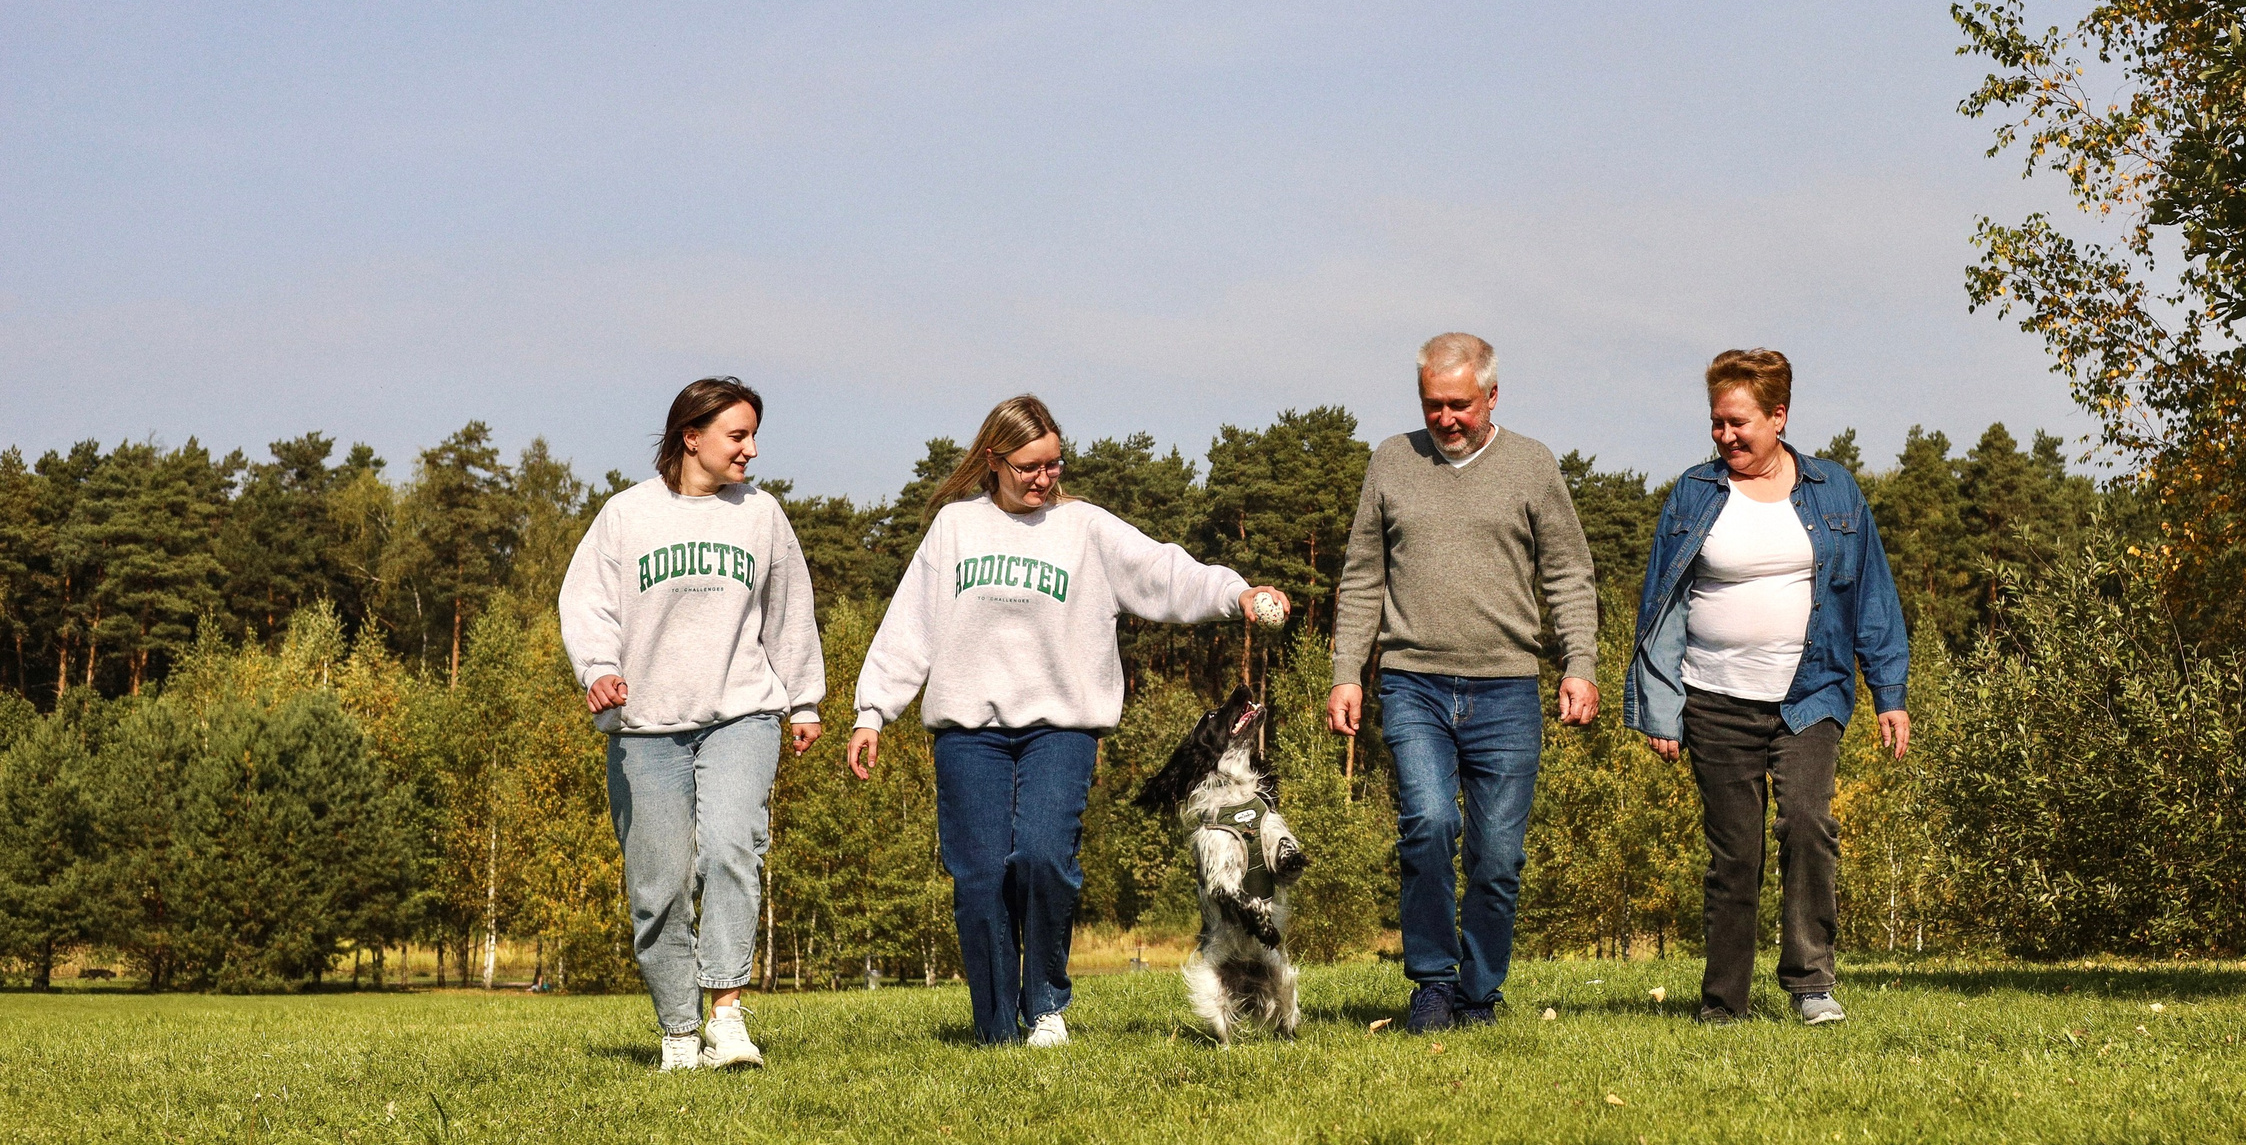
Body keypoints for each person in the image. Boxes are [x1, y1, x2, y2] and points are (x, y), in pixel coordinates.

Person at [847, 394, 1293, 1048]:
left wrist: (1236, 593)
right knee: (980, 878)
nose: (1044, 477)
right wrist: (872, 712)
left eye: (1054, 463)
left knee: (1042, 857)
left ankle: (1046, 1005)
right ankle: (995, 1029)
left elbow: (1164, 572)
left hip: (1060, 729)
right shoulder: (955, 528)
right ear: (993, 460)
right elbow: (910, 625)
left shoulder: (1084, 529)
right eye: (1029, 466)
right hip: (969, 733)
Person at [1626, 348, 1910, 1026]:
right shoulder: (1695, 492)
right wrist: (1661, 707)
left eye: (1739, 422)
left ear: (1778, 417)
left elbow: (1872, 595)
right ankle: (1725, 1000)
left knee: (1808, 825)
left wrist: (1889, 693)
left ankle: (1811, 984)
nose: (1724, 435)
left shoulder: (1834, 490)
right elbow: (1659, 604)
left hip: (1810, 694)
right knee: (1737, 851)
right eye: (1716, 422)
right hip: (1714, 696)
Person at [1328, 333, 1601, 1032]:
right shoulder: (1392, 459)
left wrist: (1579, 664)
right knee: (1428, 823)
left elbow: (1569, 572)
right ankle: (1432, 983)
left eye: (1459, 404)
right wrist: (1346, 672)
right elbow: (1362, 575)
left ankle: (1480, 993)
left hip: (1506, 687)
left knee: (1497, 855)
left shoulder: (1532, 465)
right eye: (1433, 404)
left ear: (1492, 396)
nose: (1445, 418)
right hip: (1411, 681)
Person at [558, 376, 826, 1072]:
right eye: (738, 435)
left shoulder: (762, 515)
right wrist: (598, 669)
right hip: (644, 725)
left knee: (733, 848)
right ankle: (679, 1030)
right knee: (659, 884)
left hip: (742, 712)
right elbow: (586, 604)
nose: (751, 450)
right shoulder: (627, 515)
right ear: (691, 437)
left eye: (753, 435)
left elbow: (790, 610)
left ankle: (727, 1016)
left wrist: (804, 700)